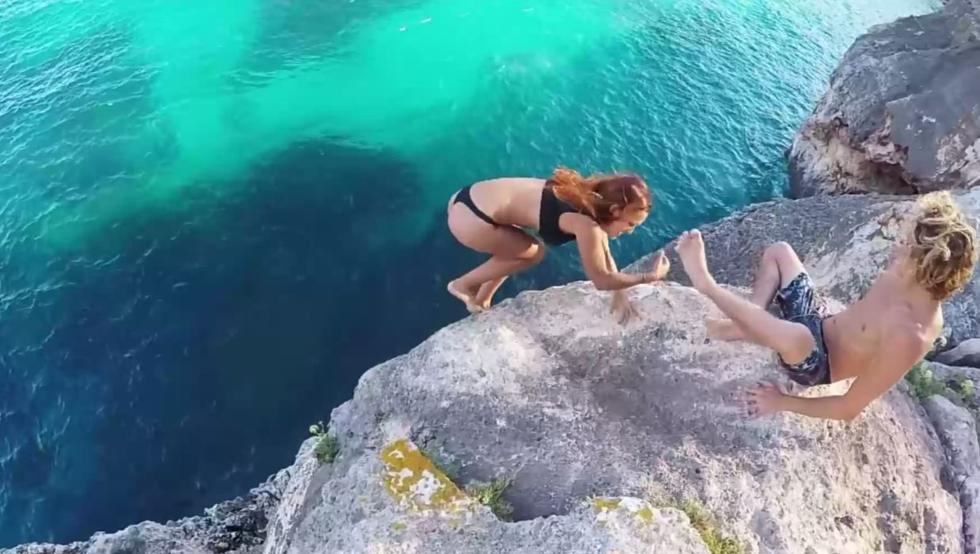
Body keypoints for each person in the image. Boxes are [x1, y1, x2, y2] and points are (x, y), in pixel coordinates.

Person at [673, 191, 977, 421]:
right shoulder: (900, 277)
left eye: (907, 246)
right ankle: (748, 323)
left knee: (796, 337)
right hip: (819, 320)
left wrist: (781, 402)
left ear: (924, 268)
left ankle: (706, 285)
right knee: (780, 252)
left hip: (817, 363)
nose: (898, 246)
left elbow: (848, 408)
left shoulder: (911, 335)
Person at [446, 167, 670, 322]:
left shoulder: (590, 199)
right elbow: (601, 280)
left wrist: (620, 296)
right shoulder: (586, 224)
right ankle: (462, 285)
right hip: (472, 221)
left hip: (466, 200)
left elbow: (604, 253)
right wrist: (649, 277)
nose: (630, 231)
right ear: (614, 211)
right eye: (630, 224)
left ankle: (482, 301)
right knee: (532, 252)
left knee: (520, 250)